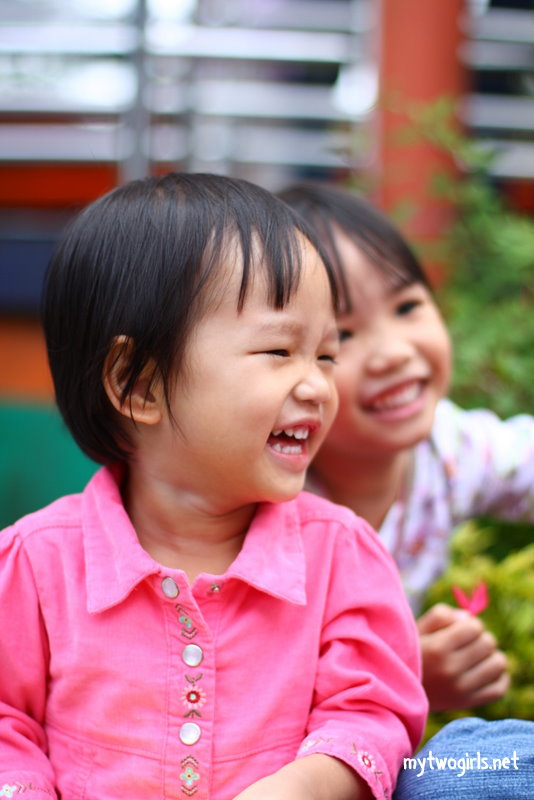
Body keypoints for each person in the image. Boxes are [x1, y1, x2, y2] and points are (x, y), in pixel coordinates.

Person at [0, 173, 427, 800]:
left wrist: (302, 787)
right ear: (138, 384)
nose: (316, 385)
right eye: (279, 351)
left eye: (326, 355)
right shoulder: (36, 564)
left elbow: (372, 713)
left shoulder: (340, 554)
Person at [278, 181, 526, 713]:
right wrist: (407, 675)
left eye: (407, 304)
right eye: (341, 335)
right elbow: (254, 689)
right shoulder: (267, 508)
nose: (392, 352)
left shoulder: (449, 452)